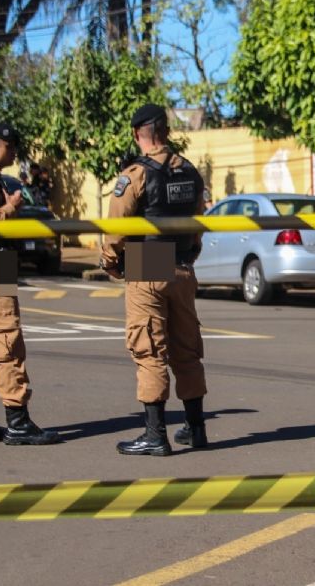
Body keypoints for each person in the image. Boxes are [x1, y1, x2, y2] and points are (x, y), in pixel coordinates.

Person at [100, 104, 208, 457]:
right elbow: (198, 222)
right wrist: (189, 254)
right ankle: (196, 429)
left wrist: (111, 261)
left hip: (148, 261)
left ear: (138, 134)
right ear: (166, 130)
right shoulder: (191, 172)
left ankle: (154, 434)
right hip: (182, 264)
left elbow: (116, 229)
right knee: (186, 349)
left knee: (150, 349)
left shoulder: (134, 175)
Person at [0, 122, 60, 445]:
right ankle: (18, 420)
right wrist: (9, 209)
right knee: (5, 339)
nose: (14, 151)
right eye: (10, 145)